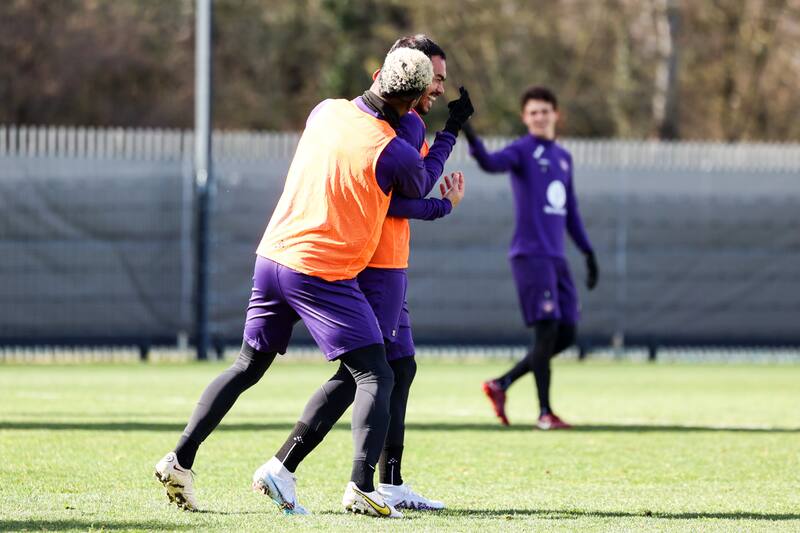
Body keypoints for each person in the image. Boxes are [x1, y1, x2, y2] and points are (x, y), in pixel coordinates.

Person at [154, 47, 462, 519]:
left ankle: (180, 458)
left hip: (272, 255)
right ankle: (362, 486)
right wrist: (445, 171)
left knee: (247, 366)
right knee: (376, 373)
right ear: (420, 97)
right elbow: (417, 188)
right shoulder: (393, 149)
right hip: (319, 270)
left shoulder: (325, 111)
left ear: (378, 75)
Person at [254, 34, 470, 513]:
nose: (438, 87)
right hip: (373, 263)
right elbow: (404, 190)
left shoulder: (381, 118)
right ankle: (311, 472)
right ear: (408, 77)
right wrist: (443, 198)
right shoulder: (394, 126)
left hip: (392, 263)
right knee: (367, 373)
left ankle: (386, 482)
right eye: (434, 77)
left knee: (398, 368)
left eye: (441, 79)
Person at [463, 86, 598, 430]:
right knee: (547, 331)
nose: (539, 116)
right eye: (533, 112)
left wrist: (587, 251)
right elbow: (490, 163)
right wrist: (468, 129)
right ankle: (544, 413)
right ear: (525, 118)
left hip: (558, 259)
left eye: (545, 111)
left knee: (566, 334)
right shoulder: (522, 151)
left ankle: (501, 384)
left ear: (556, 114)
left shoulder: (564, 158)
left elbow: (570, 212)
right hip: (531, 256)